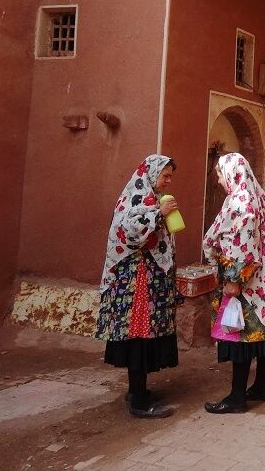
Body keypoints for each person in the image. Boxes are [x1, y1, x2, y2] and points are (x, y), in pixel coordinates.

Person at [203, 153, 265, 414]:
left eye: (220, 175)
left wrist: (235, 279)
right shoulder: (260, 198)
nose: (219, 181)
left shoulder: (239, 201)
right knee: (263, 333)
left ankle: (237, 397)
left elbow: (242, 246)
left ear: (232, 173)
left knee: (241, 338)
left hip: (248, 281)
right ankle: (261, 385)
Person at [95, 155, 180, 419]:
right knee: (139, 332)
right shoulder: (138, 198)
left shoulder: (150, 196)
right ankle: (138, 400)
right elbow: (129, 231)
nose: (168, 181)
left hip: (146, 279)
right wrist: (158, 214)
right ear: (151, 174)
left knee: (145, 331)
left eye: (169, 177)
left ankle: (139, 390)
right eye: (165, 176)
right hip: (135, 280)